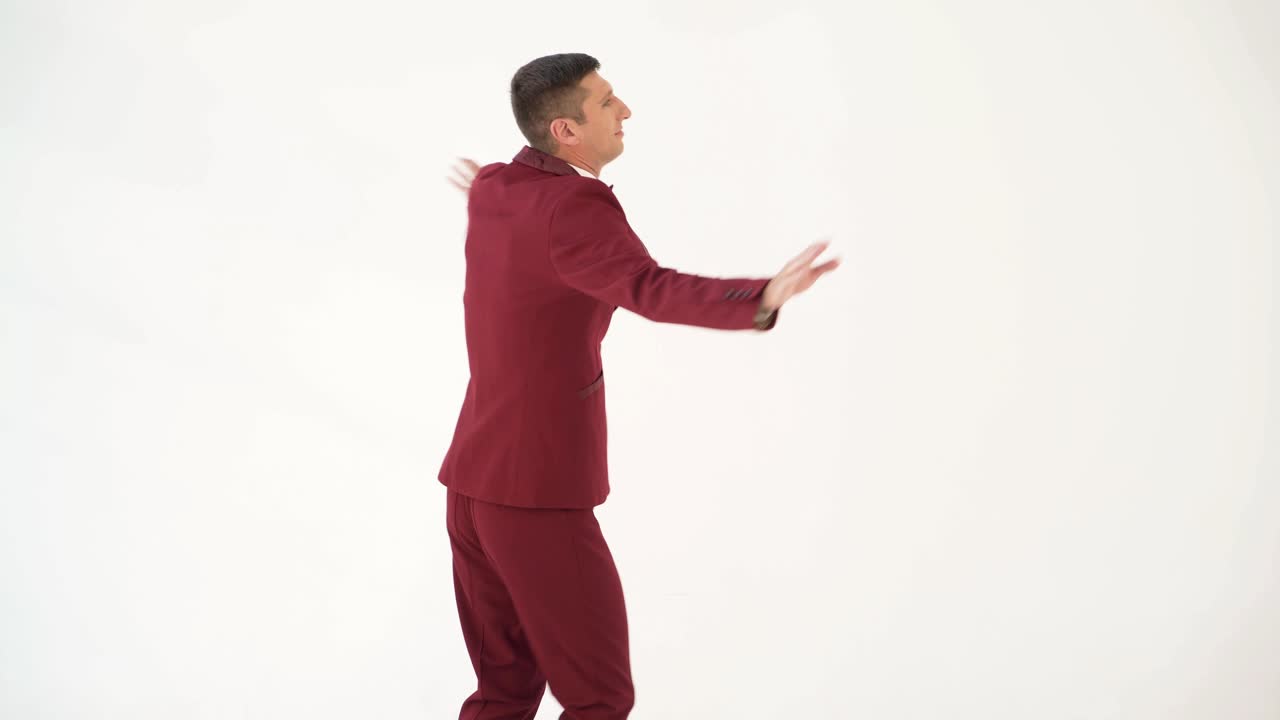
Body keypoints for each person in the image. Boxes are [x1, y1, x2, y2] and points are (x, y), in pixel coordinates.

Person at [439, 53, 839, 720]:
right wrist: (760, 297)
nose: (624, 111)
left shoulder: (497, 189)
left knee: (503, 695)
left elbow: (499, 184)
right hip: (536, 495)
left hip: (472, 486)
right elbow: (649, 288)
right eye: (605, 102)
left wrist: (484, 181)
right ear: (565, 131)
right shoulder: (574, 206)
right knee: (600, 698)